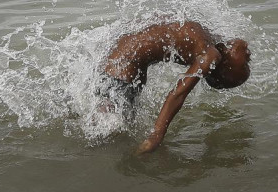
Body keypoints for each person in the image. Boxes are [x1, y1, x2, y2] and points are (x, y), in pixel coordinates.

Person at [97, 20, 251, 154]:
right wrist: (156, 135)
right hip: (123, 64)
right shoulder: (211, 46)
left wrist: (155, 136)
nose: (249, 54)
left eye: (245, 63)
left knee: (109, 130)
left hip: (121, 59)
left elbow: (178, 93)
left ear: (223, 66)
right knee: (110, 127)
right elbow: (177, 94)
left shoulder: (210, 53)